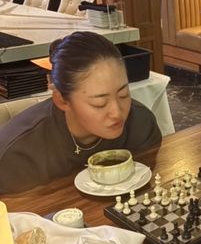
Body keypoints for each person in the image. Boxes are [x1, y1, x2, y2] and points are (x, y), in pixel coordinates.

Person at [0, 32, 162, 194]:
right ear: (62, 101)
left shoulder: (141, 123)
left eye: (123, 94)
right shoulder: (18, 155)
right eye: (99, 103)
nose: (117, 113)